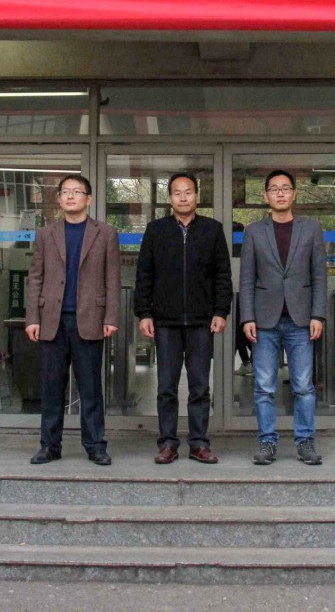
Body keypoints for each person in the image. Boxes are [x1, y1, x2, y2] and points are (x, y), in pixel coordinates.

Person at [135, 172, 233, 465]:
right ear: (170, 198)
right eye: (177, 193)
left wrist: (221, 311)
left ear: (197, 196)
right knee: (166, 386)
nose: (183, 197)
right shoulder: (156, 230)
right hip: (165, 321)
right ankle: (167, 443)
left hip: (202, 321)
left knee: (200, 386)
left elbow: (222, 275)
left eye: (188, 192)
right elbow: (144, 275)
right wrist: (144, 313)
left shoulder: (212, 230)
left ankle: (199, 443)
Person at [25, 175, 121, 466]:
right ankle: (49, 446)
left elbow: (112, 278)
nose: (70, 196)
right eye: (65, 192)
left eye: (76, 192)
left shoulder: (105, 233)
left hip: (90, 318)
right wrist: (32, 317)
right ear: (59, 199)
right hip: (52, 320)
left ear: (88, 199)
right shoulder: (46, 234)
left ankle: (95, 445)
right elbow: (35, 277)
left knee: (90, 388)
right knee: (51, 388)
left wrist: (111, 316)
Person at [239, 170, 328, 466]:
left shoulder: (311, 229)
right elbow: (247, 279)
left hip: (301, 320)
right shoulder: (254, 232)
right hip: (264, 320)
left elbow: (319, 275)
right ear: (265, 195)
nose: (280, 193)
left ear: (294, 194)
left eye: (285, 188)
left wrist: (318, 314)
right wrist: (247, 317)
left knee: (303, 386)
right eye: (274, 189)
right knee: (264, 386)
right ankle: (267, 442)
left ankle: (305, 442)